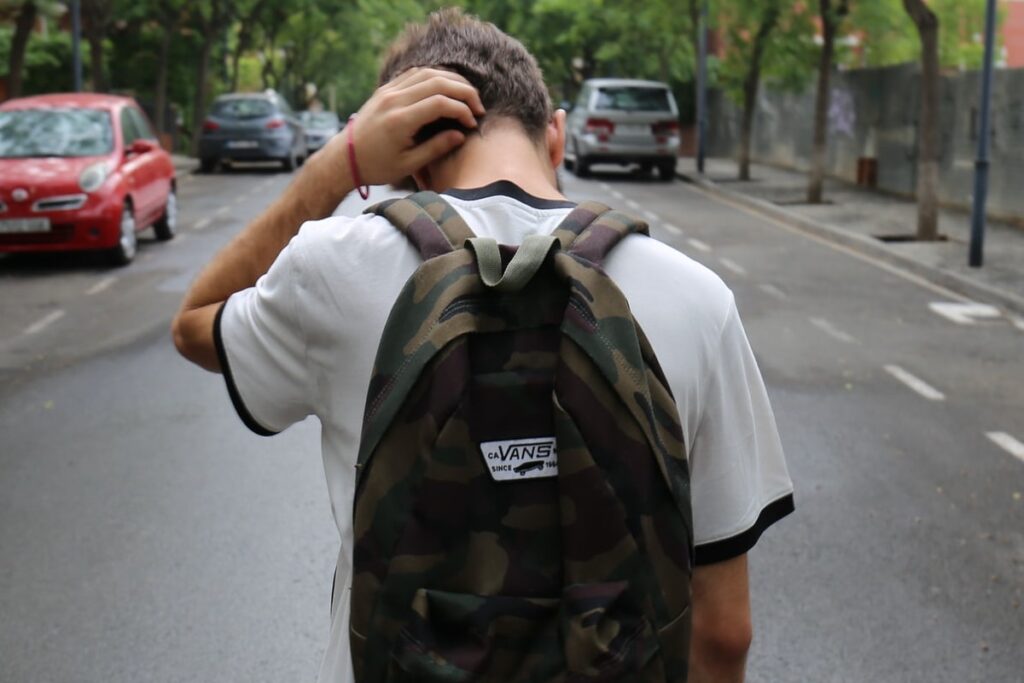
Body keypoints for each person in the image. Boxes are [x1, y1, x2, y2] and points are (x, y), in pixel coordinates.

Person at [172, 8, 794, 683]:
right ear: (555, 135)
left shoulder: (335, 269)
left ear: (407, 161)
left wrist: (340, 163)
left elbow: (194, 320)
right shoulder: (697, 297)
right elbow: (725, 634)